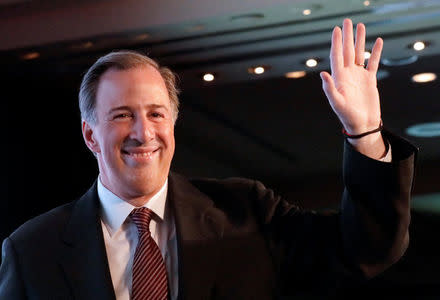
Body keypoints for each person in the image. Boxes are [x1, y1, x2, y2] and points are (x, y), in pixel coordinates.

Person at [0, 19, 417, 299]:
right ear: (90, 134)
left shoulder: (246, 212)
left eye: (156, 114)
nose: (143, 133)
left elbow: (367, 248)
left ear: (173, 124)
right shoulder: (32, 250)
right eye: (123, 115)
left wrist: (365, 132)